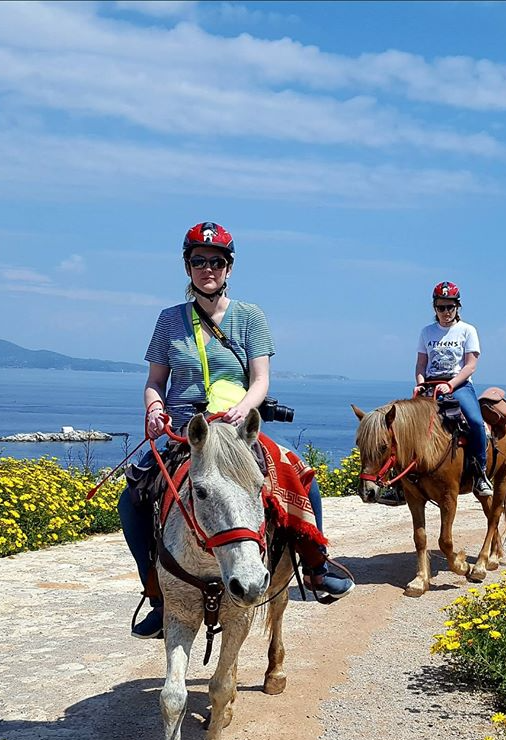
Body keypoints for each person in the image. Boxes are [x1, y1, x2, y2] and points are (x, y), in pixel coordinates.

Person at [120, 221, 354, 640]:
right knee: (131, 499)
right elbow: (155, 381)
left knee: (300, 478)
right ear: (187, 267)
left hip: (235, 429)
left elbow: (261, 380)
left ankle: (317, 567)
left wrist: (243, 408)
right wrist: (155, 407)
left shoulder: (250, 317)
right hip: (185, 433)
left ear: (228, 267)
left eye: (215, 261)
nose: (207, 268)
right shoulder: (169, 320)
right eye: (198, 261)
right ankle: (157, 593)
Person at [414, 281, 493, 498]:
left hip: (458, 385)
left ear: (458, 307)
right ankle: (403, 481)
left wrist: (450, 384)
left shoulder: (467, 330)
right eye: (441, 307)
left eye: (450, 307)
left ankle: (480, 473)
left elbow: (470, 365)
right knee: (405, 425)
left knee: (475, 422)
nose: (446, 312)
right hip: (430, 385)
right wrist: (420, 383)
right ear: (434, 308)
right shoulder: (426, 332)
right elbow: (421, 364)